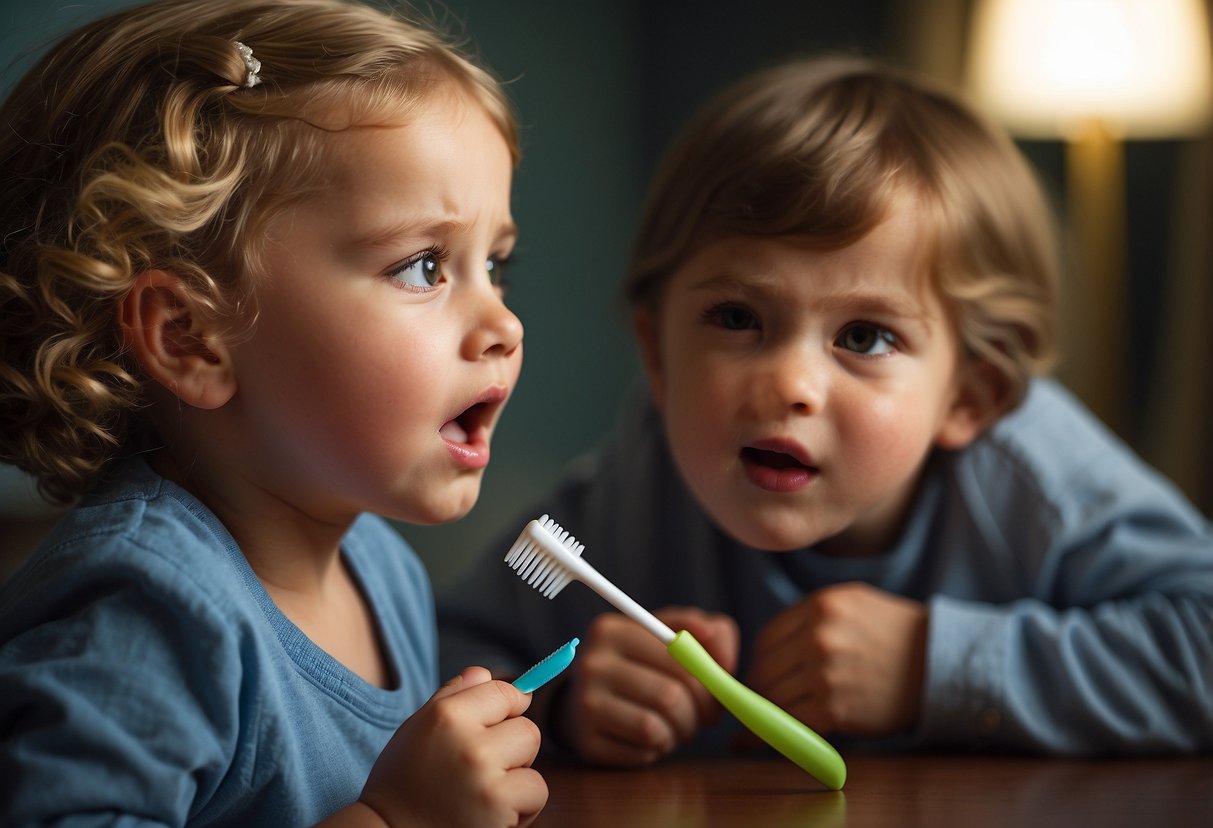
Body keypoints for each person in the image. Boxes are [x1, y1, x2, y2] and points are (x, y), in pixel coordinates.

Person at [438, 56, 1213, 767]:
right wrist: (562, 706)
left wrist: (931, 665)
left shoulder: (1035, 477)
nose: (789, 385)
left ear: (970, 394)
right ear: (658, 355)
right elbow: (435, 657)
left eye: (864, 336)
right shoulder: (638, 488)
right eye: (738, 318)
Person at [0, 0, 546, 828]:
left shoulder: (380, 565)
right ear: (193, 338)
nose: (502, 324)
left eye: (494, 263)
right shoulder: (150, 613)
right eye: (423, 265)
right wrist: (396, 822)